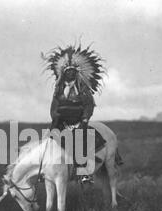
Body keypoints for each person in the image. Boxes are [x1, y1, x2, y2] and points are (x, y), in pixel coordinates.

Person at [44, 45, 123, 183]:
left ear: (76, 73)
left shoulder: (83, 89)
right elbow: (54, 106)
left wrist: (85, 119)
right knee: (47, 140)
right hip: (62, 122)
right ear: (63, 73)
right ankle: (44, 171)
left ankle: (83, 172)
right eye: (67, 71)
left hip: (78, 122)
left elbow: (89, 105)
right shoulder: (59, 90)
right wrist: (55, 116)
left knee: (79, 142)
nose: (70, 74)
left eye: (72, 71)